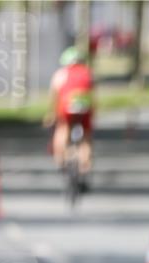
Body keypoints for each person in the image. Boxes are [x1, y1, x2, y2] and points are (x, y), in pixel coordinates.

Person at [45, 46, 95, 185]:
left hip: (66, 106)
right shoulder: (88, 73)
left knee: (63, 129)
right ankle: (85, 167)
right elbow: (93, 96)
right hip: (85, 107)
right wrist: (93, 113)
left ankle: (60, 159)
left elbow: (54, 96)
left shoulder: (61, 74)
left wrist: (51, 114)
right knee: (86, 138)